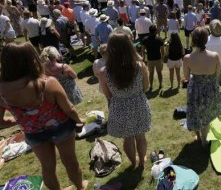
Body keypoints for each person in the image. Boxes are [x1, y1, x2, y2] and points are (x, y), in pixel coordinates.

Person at [0, 42, 88, 190]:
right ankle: (80, 187)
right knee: (71, 162)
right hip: (62, 128)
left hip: (33, 134)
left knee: (47, 168)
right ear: (31, 58)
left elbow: (1, 122)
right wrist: (79, 120)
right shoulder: (47, 82)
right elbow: (69, 109)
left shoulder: (1, 90)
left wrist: (21, 120)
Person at [98, 33, 150, 168]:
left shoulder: (104, 72)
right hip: (138, 104)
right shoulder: (139, 66)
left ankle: (133, 163)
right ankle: (141, 164)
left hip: (119, 107)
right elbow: (146, 87)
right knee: (140, 137)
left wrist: (121, 97)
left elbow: (108, 95)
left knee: (128, 139)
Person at [183, 27, 221, 147]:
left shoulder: (187, 58)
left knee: (195, 112)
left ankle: (198, 136)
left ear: (193, 41)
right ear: (206, 40)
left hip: (195, 88)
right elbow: (217, 74)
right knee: (206, 114)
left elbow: (186, 77)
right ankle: (204, 140)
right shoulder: (215, 56)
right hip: (210, 88)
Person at [141, 25, 164, 90]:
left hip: (150, 59)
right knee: (159, 73)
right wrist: (162, 59)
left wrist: (143, 58)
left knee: (151, 73)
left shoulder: (145, 39)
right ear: (155, 31)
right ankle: (160, 84)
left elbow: (142, 50)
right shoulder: (159, 39)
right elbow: (162, 50)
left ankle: (151, 86)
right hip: (158, 59)